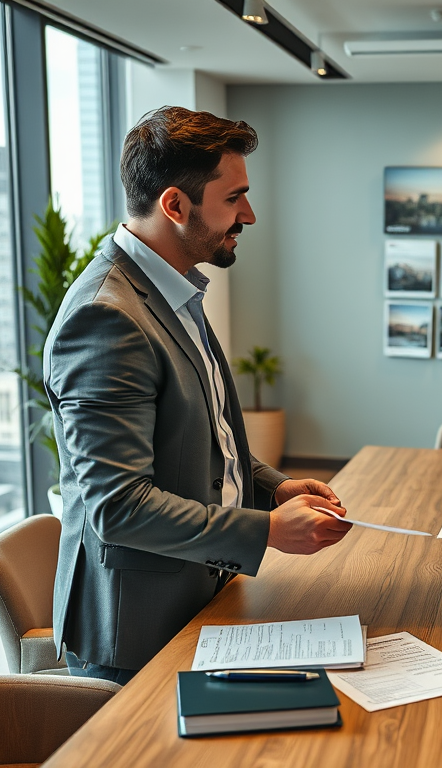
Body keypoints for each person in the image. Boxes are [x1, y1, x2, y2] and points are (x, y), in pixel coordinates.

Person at [43, 106, 351, 683]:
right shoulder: (105, 319)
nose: (249, 215)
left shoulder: (173, 289)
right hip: (136, 631)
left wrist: (274, 487)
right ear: (175, 205)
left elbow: (207, 437)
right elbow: (119, 507)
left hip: (202, 594)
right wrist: (266, 531)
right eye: (234, 197)